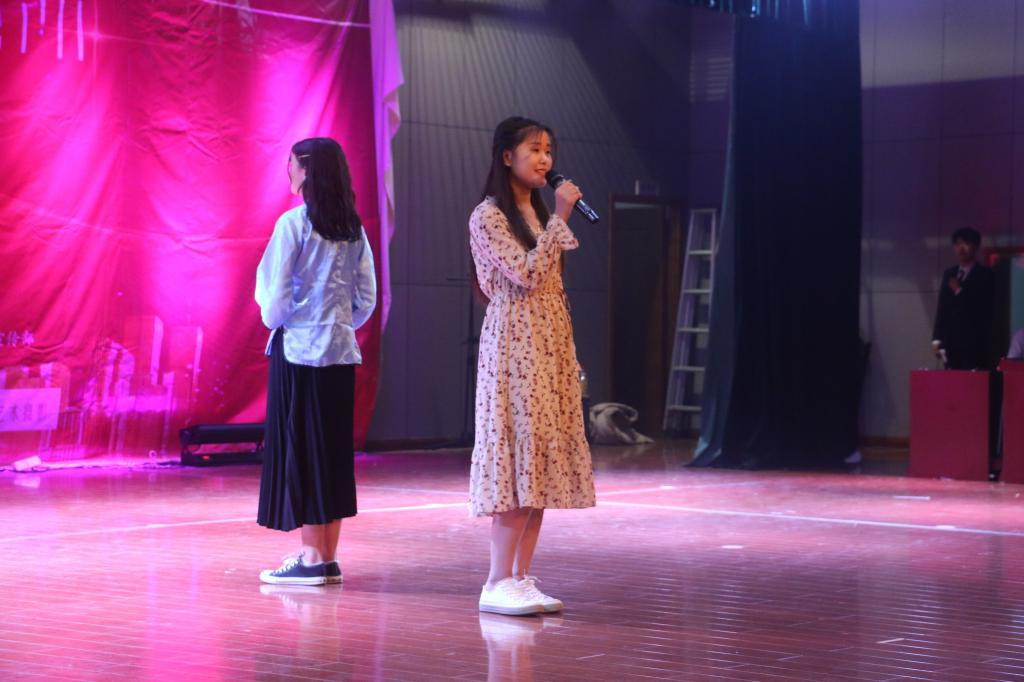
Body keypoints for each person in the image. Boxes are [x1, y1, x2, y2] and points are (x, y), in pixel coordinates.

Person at [468, 116, 596, 616]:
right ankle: (496, 580)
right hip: (513, 345)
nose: (545, 160)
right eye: (534, 150)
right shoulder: (488, 216)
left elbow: (552, 288)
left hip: (549, 343)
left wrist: (568, 352)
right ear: (507, 157)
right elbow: (526, 274)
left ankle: (520, 577)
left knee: (538, 462)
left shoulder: (539, 214)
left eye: (548, 150)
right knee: (517, 458)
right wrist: (562, 215)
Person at [254, 137, 377, 586]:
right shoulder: (353, 229)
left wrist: (288, 321)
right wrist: (338, 323)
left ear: (305, 169)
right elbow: (366, 298)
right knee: (332, 453)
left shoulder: (294, 224)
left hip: (300, 353)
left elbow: (275, 296)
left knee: (304, 451)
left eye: (290, 163)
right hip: (340, 353)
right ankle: (326, 557)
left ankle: (310, 558)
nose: (287, 171)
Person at [932, 226, 994, 370]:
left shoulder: (985, 275)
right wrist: (936, 339)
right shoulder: (949, 274)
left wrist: (959, 291)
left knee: (971, 382)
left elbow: (981, 310)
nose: (961, 248)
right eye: (958, 244)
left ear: (976, 246)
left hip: (974, 345)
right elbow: (942, 309)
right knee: (951, 381)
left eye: (966, 243)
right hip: (950, 344)